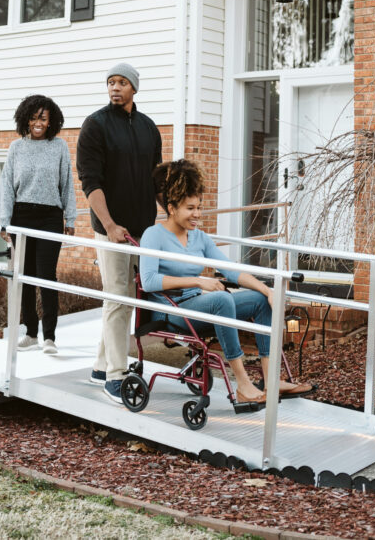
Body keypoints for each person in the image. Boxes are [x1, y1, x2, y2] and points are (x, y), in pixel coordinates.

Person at [139, 159, 312, 405]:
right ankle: (242, 384)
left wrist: (268, 290)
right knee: (221, 299)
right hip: (174, 310)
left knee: (260, 300)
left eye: (199, 207)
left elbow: (231, 271)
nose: (197, 214)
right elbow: (148, 281)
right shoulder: (153, 235)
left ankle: (271, 379)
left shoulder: (199, 237)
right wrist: (198, 281)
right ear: (171, 207)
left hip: (200, 304)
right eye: (190, 208)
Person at [77, 62, 162, 404]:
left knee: (127, 296)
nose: (114, 88)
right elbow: (90, 181)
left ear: (134, 89)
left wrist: (169, 216)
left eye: (122, 82)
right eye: (110, 82)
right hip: (111, 230)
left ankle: (100, 365)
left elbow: (156, 178)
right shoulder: (95, 126)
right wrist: (110, 225)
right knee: (116, 296)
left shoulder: (148, 127)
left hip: (143, 230)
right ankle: (115, 374)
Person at [0, 94, 76, 355]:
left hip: (50, 217)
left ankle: (49, 337)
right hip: (21, 216)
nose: (38, 122)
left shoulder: (59, 146)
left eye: (43, 117)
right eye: (33, 117)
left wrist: (71, 218)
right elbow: (6, 187)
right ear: (25, 119)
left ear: (51, 120)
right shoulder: (16, 148)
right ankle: (31, 332)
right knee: (25, 277)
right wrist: (4, 222)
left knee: (47, 276)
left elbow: (67, 184)